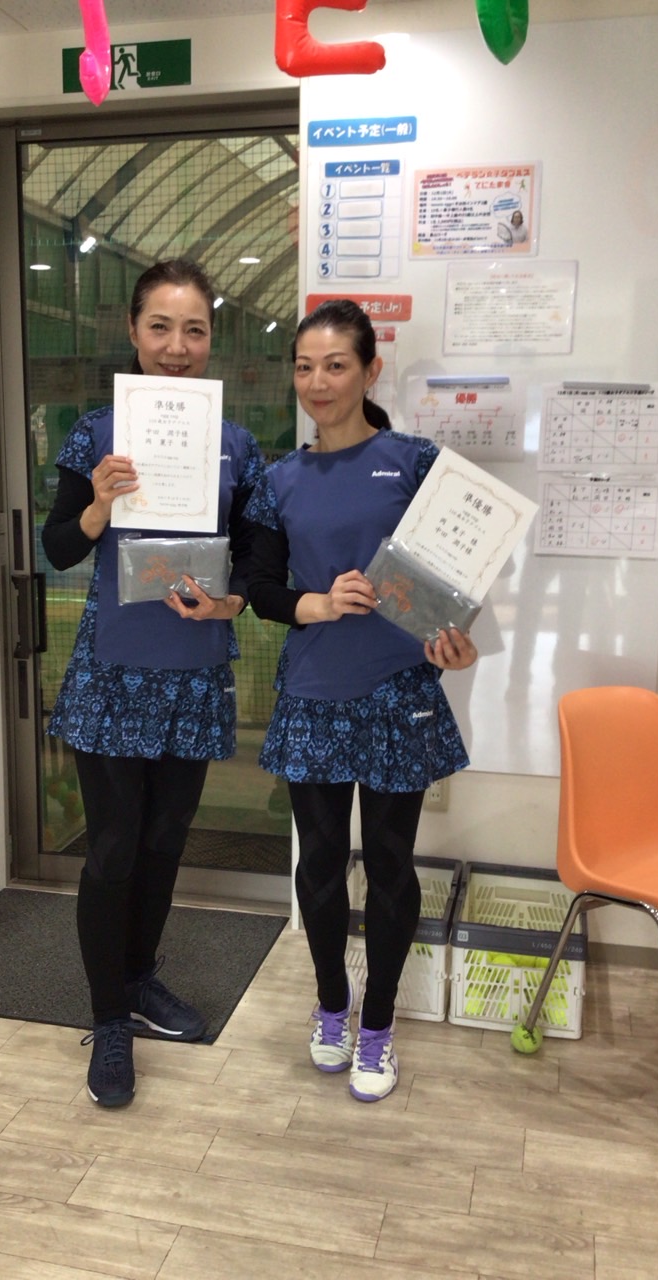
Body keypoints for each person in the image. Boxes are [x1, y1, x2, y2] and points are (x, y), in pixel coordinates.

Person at [41, 259, 264, 1109]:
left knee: (166, 842)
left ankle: (138, 979)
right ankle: (108, 1019)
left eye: (194, 329)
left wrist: (233, 599)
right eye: (161, 327)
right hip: (113, 673)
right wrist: (98, 506)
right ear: (134, 332)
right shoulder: (95, 434)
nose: (177, 346)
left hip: (194, 673)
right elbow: (57, 546)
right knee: (113, 849)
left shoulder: (236, 445)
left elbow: (256, 556)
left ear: (212, 339)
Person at [245, 299, 478, 1103]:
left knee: (388, 863)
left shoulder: (415, 463)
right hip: (313, 692)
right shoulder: (278, 478)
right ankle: (330, 1005)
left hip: (397, 690)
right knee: (317, 864)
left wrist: (457, 639)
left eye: (336, 365)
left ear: (370, 371)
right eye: (305, 367)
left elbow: (457, 574)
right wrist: (314, 601)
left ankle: (378, 1024)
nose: (318, 382)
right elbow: (261, 588)